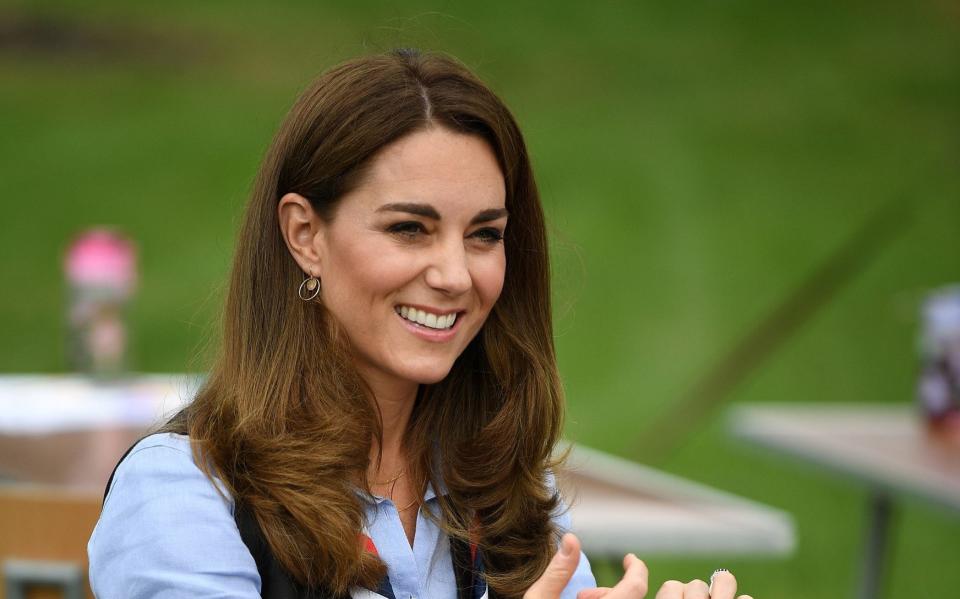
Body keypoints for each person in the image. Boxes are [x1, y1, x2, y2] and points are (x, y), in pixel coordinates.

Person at [88, 49, 752, 599]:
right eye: (411, 228)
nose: (455, 274)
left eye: (485, 235)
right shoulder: (183, 490)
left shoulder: (507, 491)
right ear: (303, 234)